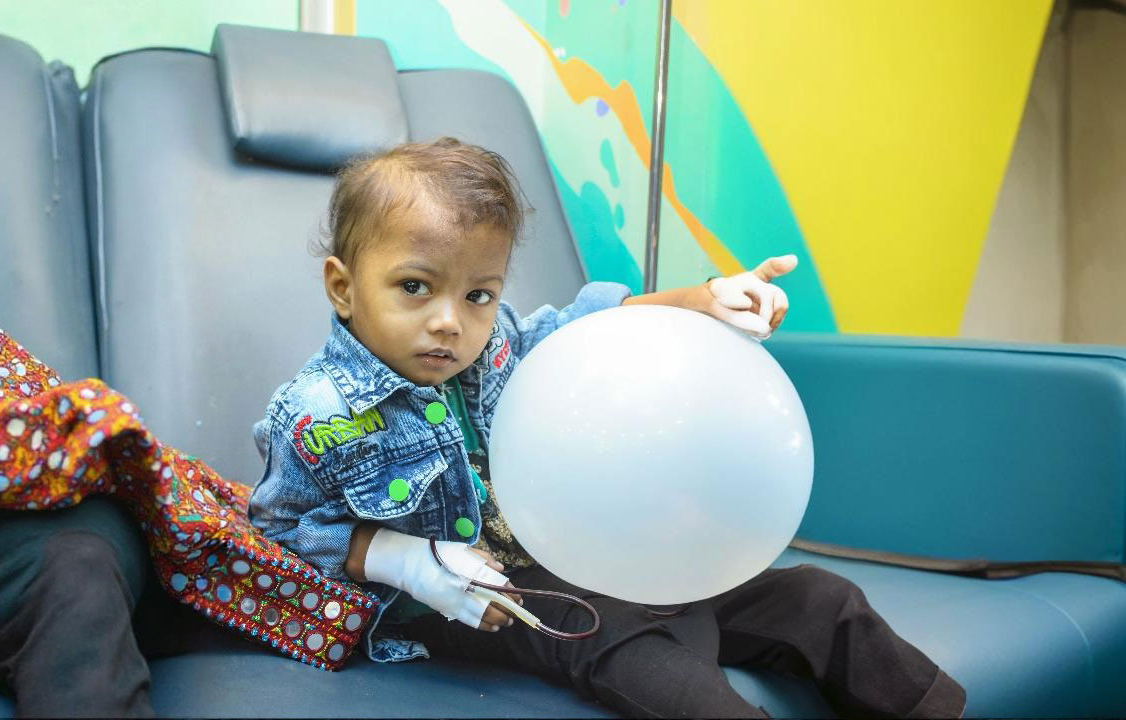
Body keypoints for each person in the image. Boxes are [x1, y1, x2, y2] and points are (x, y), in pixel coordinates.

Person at [248, 137, 966, 718]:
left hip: (594, 548)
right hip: (486, 602)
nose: (449, 321)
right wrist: (408, 562)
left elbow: (588, 326)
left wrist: (704, 299)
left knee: (818, 599)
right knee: (629, 643)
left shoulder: (496, 343)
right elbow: (281, 534)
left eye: (478, 294)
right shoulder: (318, 414)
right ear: (343, 287)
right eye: (415, 287)